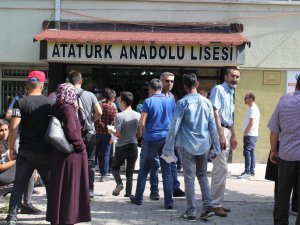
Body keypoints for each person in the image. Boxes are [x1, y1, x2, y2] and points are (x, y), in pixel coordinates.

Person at [163, 73, 221, 222]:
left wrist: (168, 148)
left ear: (184, 86)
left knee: (189, 179)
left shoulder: (182, 103)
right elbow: (212, 127)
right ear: (197, 84)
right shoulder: (207, 102)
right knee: (202, 176)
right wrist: (216, 147)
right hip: (204, 145)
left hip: (187, 146)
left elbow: (174, 126)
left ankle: (191, 212)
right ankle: (207, 208)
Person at [6, 71, 52, 225]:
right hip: (45, 151)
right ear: (42, 84)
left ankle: (12, 217)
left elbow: (13, 127)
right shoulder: (49, 103)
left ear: (27, 84)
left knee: (19, 184)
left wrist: (11, 147)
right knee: (50, 184)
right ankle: (53, 215)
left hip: (25, 151)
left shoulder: (20, 102)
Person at [46, 83, 91, 225]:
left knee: (60, 188)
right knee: (71, 188)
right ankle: (68, 218)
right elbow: (72, 132)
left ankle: (58, 218)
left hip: (58, 153)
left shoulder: (56, 107)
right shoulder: (69, 108)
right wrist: (81, 146)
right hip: (71, 155)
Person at [130, 78, 175, 209]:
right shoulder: (170, 101)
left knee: (144, 169)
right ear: (161, 88)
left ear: (150, 89)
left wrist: (140, 136)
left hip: (151, 139)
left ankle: (138, 198)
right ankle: (169, 202)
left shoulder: (148, 101)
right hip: (167, 140)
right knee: (167, 170)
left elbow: (142, 123)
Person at [268, 75, 300, 225]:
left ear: (296, 86)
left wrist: (273, 150)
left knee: (283, 194)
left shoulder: (284, 101)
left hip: (286, 155)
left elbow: (274, 130)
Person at [148, 72, 185, 201]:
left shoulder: (172, 97)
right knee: (155, 164)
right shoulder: (155, 96)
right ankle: (154, 190)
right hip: (156, 136)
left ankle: (174, 188)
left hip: (170, 136)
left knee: (172, 163)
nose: (169, 83)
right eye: (167, 81)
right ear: (161, 81)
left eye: (172, 81)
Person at [209, 67, 240, 217]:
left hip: (226, 131)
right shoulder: (218, 89)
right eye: (233, 76)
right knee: (221, 169)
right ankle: (215, 205)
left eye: (237, 77)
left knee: (220, 169)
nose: (235, 79)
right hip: (219, 131)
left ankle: (216, 202)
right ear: (226, 76)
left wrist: (233, 136)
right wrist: (221, 135)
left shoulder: (230, 92)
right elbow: (215, 112)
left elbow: (229, 117)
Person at [68, 70, 102, 198]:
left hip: (73, 133)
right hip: (89, 132)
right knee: (90, 161)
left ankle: (74, 189)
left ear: (69, 81)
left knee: (73, 160)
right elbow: (99, 112)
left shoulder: (66, 94)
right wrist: (91, 121)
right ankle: (89, 190)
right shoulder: (90, 95)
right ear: (81, 81)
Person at [0, 119, 40, 215]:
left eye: (6, 130)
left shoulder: (6, 143)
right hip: (1, 175)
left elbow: (9, 160)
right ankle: (26, 205)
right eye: (1, 130)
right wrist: (16, 161)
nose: (4, 133)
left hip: (6, 173)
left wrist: (12, 157)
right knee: (27, 168)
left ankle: (26, 203)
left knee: (28, 168)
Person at [108, 92, 141, 197]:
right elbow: (140, 134)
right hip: (133, 145)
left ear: (123, 102)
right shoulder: (138, 115)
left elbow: (117, 134)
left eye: (119, 100)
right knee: (130, 172)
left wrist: (110, 131)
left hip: (121, 146)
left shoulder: (119, 116)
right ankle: (128, 193)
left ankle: (119, 183)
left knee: (114, 167)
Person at [95, 88, 118, 182]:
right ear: (113, 98)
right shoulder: (113, 108)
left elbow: (95, 118)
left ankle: (89, 171)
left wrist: (100, 125)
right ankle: (104, 175)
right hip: (108, 133)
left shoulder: (99, 105)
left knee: (94, 154)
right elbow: (116, 122)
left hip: (97, 133)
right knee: (106, 154)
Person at [238, 92, 260, 179]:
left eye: (246, 98)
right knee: (251, 153)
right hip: (252, 135)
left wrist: (245, 133)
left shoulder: (253, 109)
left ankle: (247, 172)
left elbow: (251, 123)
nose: (244, 99)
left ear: (250, 99)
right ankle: (251, 171)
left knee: (247, 153)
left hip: (250, 135)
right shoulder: (253, 108)